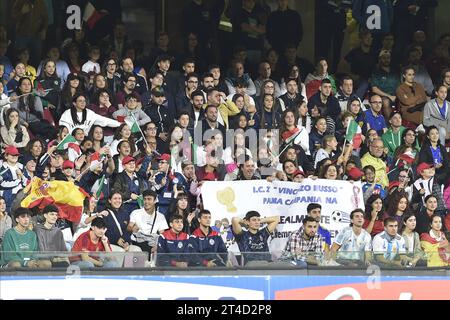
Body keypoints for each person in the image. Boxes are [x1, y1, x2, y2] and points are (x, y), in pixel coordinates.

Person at [127, 190, 168, 259]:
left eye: (149, 199)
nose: (146, 202)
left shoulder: (160, 216)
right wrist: (132, 228)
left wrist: (157, 246)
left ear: (155, 201)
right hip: (138, 242)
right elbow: (129, 227)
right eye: (145, 199)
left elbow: (162, 234)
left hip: (152, 243)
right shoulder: (136, 212)